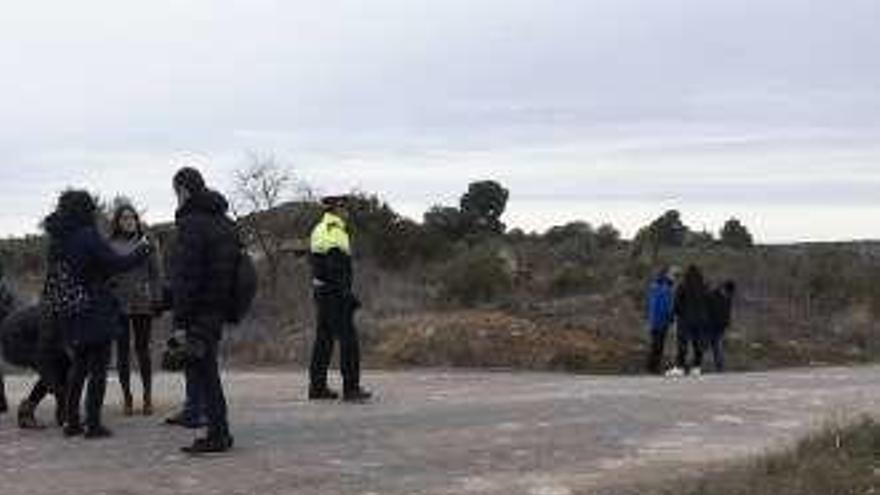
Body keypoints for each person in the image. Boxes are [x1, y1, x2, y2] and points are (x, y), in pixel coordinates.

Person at [43, 190, 150, 439]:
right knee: (99, 368)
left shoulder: (59, 239)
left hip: (70, 309)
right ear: (85, 210)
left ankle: (71, 422)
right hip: (94, 308)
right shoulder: (87, 236)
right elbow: (116, 263)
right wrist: (142, 250)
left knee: (78, 366)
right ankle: (93, 424)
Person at [170, 167, 238, 454]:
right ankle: (218, 430)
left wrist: (181, 319)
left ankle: (218, 434)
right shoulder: (224, 221)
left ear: (183, 190)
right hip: (220, 304)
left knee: (204, 370)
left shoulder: (191, 223)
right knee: (206, 367)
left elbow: (188, 275)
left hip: (200, 307)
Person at [308, 195, 372, 403]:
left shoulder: (320, 228)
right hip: (334, 292)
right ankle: (351, 388)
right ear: (337, 210)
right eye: (345, 209)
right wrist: (346, 294)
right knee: (348, 340)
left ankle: (317, 388)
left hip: (322, 291)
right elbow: (335, 266)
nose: (347, 212)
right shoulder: (334, 230)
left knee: (324, 340)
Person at [107, 204, 161, 416]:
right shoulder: (110, 245)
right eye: (124, 218)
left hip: (142, 301)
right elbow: (107, 272)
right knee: (122, 352)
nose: (128, 221)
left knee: (143, 349)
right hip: (118, 303)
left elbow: (156, 273)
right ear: (118, 222)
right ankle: (127, 398)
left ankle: (147, 396)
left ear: (137, 220)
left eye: (132, 218)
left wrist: (157, 298)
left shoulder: (147, 243)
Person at [0, 304, 71, 429]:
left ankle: (62, 412)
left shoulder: (63, 315)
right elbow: (43, 360)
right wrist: (55, 387)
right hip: (15, 342)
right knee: (55, 371)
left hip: (24, 336)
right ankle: (26, 413)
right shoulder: (53, 321)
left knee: (63, 365)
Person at [667, 264, 710, 378]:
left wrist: (672, 316)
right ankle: (696, 367)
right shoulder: (704, 287)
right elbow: (708, 303)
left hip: (685, 319)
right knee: (697, 344)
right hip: (700, 319)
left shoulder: (683, 286)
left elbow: (677, 302)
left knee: (682, 343)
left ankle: (680, 367)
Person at [646, 267, 675, 375]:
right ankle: (654, 366)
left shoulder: (655, 288)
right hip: (661, 321)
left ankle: (652, 365)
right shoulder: (665, 289)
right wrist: (670, 316)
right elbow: (665, 306)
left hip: (654, 321)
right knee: (658, 345)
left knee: (656, 345)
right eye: (671, 275)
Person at [706, 280, 737, 373]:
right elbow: (708, 309)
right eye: (728, 292)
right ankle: (698, 365)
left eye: (730, 293)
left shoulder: (728, 298)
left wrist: (727, 323)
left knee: (717, 346)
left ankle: (719, 366)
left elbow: (727, 312)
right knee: (706, 345)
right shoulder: (712, 295)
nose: (728, 294)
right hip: (710, 324)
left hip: (720, 326)